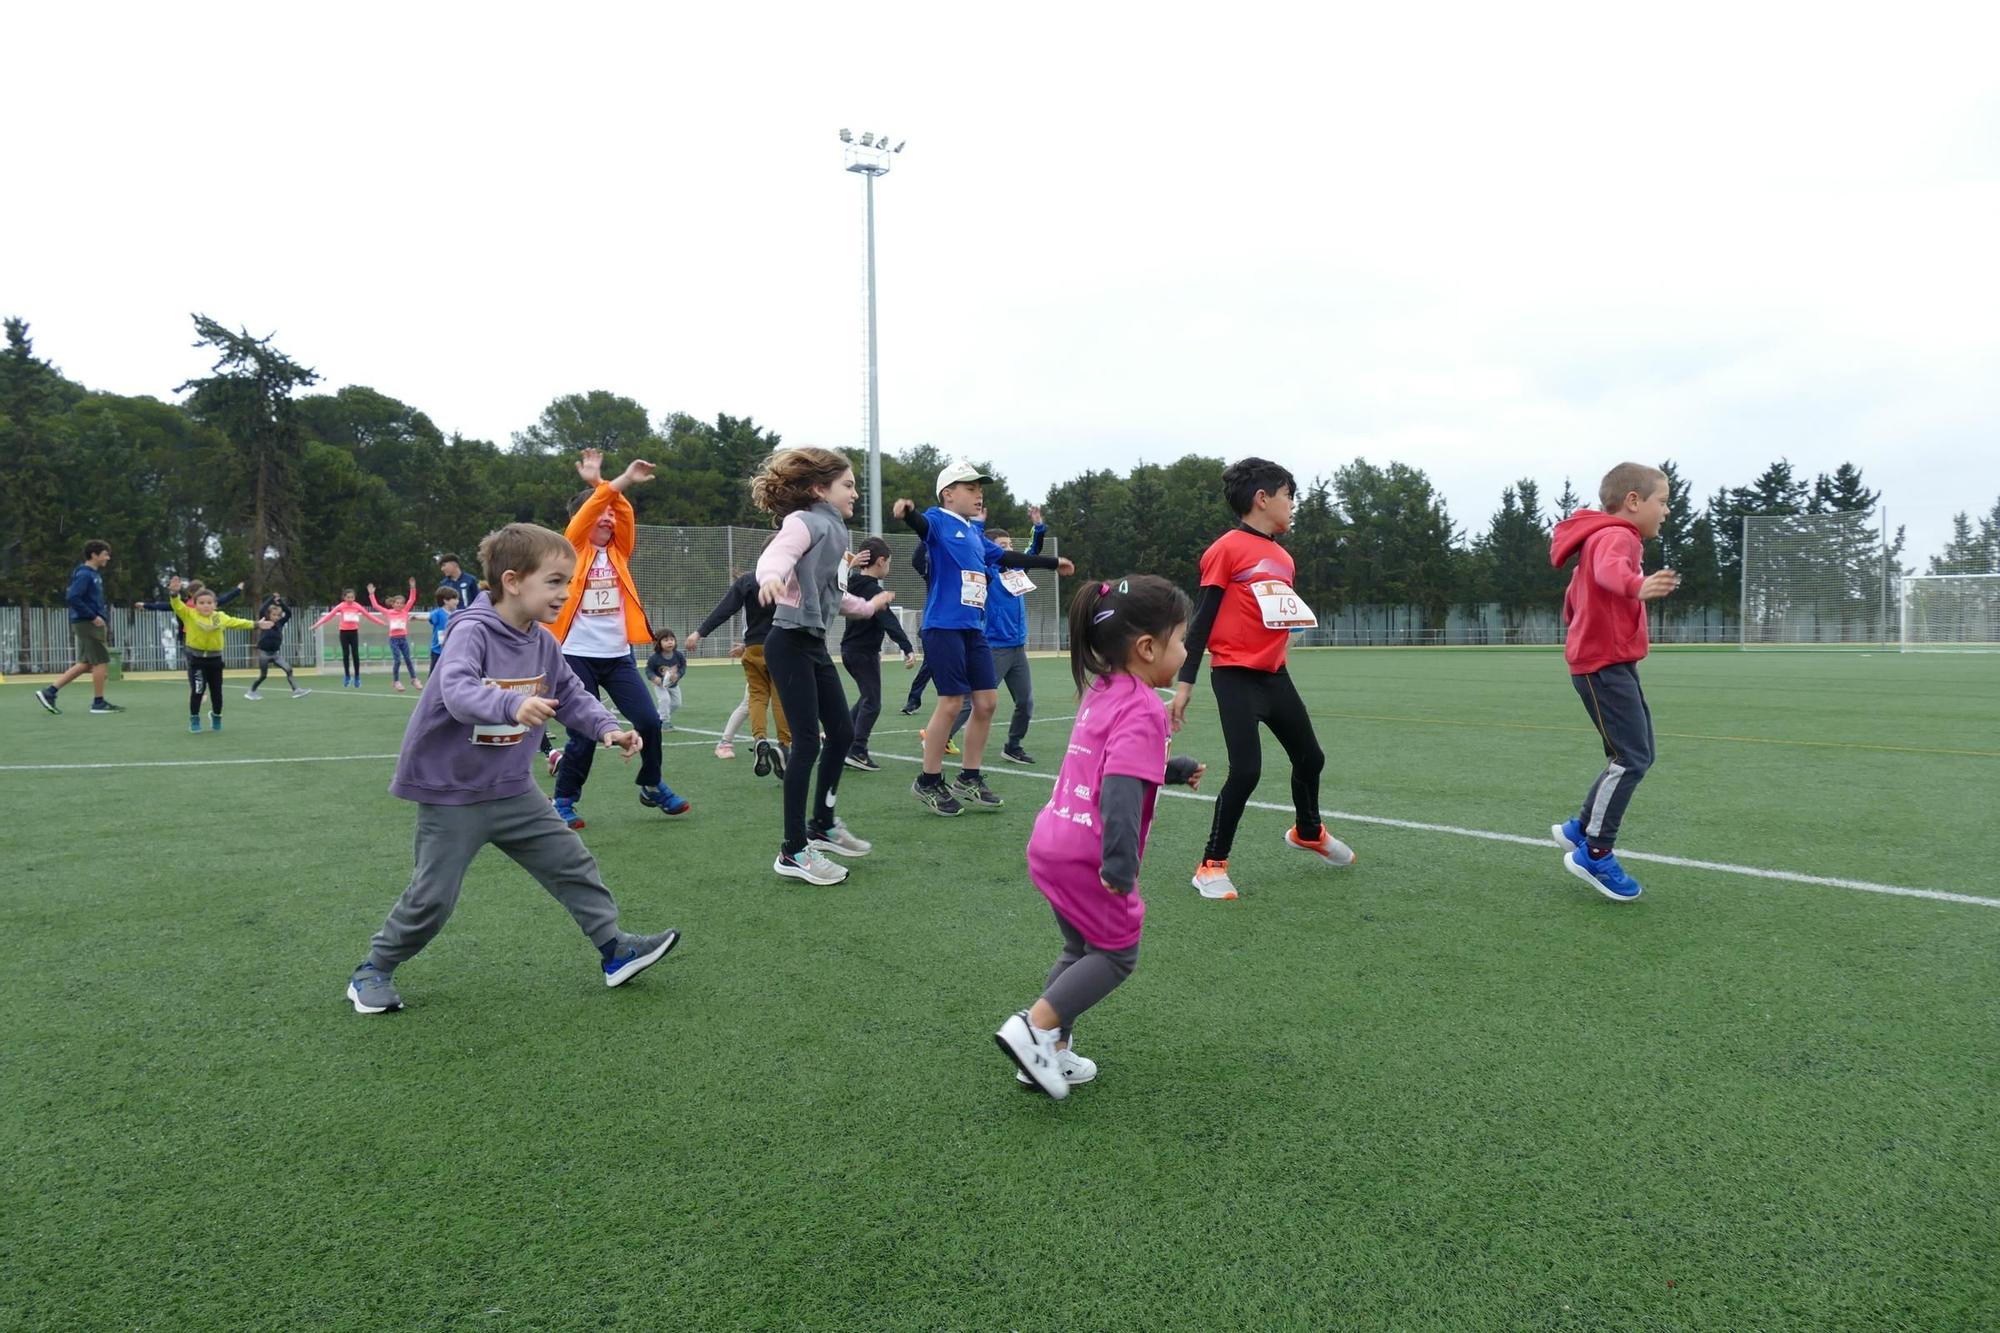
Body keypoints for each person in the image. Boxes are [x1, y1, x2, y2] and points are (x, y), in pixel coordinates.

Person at [344, 522, 681, 1015]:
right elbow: (457, 691)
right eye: (556, 581)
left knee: (571, 863)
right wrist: (510, 705)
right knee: (432, 897)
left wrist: (608, 728)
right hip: (452, 793)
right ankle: (373, 968)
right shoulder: (471, 631)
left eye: (569, 582)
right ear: (512, 581)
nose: (567, 593)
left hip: (513, 790)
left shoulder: (543, 641)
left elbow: (570, 695)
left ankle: (615, 950)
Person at [994, 575, 1206, 1099]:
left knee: (1078, 947)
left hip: (1052, 841)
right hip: (1089, 853)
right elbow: (1118, 791)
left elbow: (1107, 759)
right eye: (1181, 640)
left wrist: (1170, 769)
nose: (1185, 650)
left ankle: (1048, 1056)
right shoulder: (1144, 707)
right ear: (1148, 647)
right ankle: (1034, 1028)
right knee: (1115, 954)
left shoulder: (1103, 689)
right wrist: (1118, 866)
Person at [1171, 457, 1353, 902]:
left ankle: (1309, 831)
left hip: (1276, 677)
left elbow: (1275, 617)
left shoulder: (1284, 558)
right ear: (1262, 498)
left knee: (1311, 758)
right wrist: (1186, 682)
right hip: (1233, 676)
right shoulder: (1227, 549)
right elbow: (1203, 620)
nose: (1293, 505)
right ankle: (1211, 865)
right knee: (1247, 770)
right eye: (1289, 495)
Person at [749, 447, 895, 884]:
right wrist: (770, 577)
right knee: (808, 744)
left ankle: (823, 825)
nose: (855, 493)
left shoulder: (836, 533)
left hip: (813, 645)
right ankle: (793, 851)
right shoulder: (805, 521)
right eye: (848, 485)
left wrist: (868, 608)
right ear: (820, 489)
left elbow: (833, 593)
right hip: (788, 643)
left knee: (843, 734)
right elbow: (775, 558)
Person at [894, 460, 1070, 816]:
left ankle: (969, 778)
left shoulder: (975, 534)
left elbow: (1006, 555)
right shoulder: (939, 521)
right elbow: (922, 525)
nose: (978, 495)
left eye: (980, 489)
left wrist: (1053, 563)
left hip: (973, 629)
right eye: (970, 488)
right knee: (951, 703)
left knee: (987, 703)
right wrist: (908, 513)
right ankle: (928, 781)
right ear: (948, 494)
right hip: (943, 627)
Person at [1548, 463, 1679, 902]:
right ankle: (1595, 852)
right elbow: (1608, 573)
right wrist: (1635, 585)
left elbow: (1573, 599)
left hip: (1610, 664)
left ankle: (1580, 829)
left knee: (1638, 753)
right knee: (1631, 758)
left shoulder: (1603, 537)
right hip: (1602, 666)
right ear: (1634, 501)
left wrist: (1587, 620)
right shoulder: (1617, 537)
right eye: (1662, 500)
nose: (1666, 510)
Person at [546, 449, 689, 830]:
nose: (609, 517)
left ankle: (652, 784)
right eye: (601, 513)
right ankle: (563, 799)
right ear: (582, 519)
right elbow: (591, 512)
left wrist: (602, 483)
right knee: (582, 733)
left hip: (617, 656)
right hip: (575, 656)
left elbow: (622, 511)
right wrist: (602, 489)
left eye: (612, 513)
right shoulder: (571, 550)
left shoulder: (619, 552)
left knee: (649, 720)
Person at [953, 507, 1050, 764]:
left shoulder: (1016, 572)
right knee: (971, 701)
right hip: (994, 648)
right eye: (1003, 545)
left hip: (1017, 649)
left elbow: (1032, 552)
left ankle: (1013, 746)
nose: (1009, 549)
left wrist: (1039, 528)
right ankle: (937, 738)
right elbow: (976, 546)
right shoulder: (988, 573)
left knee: (1025, 702)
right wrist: (978, 525)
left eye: (1010, 544)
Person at [687, 571, 792, 775]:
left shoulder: (748, 580)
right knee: (781, 696)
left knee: (757, 697)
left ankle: (760, 738)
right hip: (781, 644)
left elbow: (725, 608)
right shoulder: (790, 579)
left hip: (753, 647)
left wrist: (700, 632)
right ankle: (784, 745)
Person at [839, 536, 915, 771]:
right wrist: (907, 647)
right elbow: (888, 621)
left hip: (849, 650)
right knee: (872, 702)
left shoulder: (850, 583)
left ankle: (838, 737)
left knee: (865, 697)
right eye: (888, 562)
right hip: (863, 653)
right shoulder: (873, 590)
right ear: (881, 561)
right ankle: (858, 750)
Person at [35, 539, 125, 715]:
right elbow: (73, 597)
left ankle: (50, 692)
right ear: (94, 555)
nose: (108, 557)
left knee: (85, 664)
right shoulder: (85, 574)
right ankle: (98, 703)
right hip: (88, 623)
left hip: (86, 622)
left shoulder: (93, 574)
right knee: (101, 660)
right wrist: (93, 616)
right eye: (105, 554)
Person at [171, 586, 267, 732]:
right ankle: (195, 719)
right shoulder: (189, 615)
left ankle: (216, 716)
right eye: (201, 603)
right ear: (195, 604)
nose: (205, 606)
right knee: (198, 690)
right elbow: (177, 605)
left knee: (217, 692)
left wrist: (256, 624)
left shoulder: (220, 617)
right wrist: (173, 593)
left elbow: (237, 622)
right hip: (197, 661)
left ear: (215, 604)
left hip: (215, 661)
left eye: (209, 603)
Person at [311, 589, 384, 688]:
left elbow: (368, 615)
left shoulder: (357, 606)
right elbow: (329, 616)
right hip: (344, 633)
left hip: (354, 632)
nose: (350, 599)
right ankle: (347, 676)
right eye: (348, 597)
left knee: (355, 655)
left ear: (354, 598)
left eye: (352, 597)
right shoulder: (341, 606)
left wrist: (381, 622)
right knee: (346, 655)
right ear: (344, 598)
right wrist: (317, 625)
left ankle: (357, 677)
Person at [244, 592, 309, 699]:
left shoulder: (280, 623)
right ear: (268, 615)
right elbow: (261, 610)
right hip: (264, 654)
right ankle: (251, 692)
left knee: (288, 669)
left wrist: (280, 602)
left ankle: (296, 690)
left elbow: (288, 613)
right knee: (263, 676)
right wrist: (271, 599)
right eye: (273, 615)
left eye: (278, 615)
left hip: (275, 654)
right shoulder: (264, 621)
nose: (276, 617)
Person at [368, 578, 423, 692]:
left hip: (403, 639)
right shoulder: (389, 612)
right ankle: (396, 681)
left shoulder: (405, 611)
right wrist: (371, 594)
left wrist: (413, 587)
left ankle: (414, 679)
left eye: (401, 603)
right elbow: (375, 605)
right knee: (397, 660)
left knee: (408, 659)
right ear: (393, 604)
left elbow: (412, 599)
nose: (399, 605)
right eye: (397, 603)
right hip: (394, 639)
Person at [645, 629, 687, 730]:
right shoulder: (655, 658)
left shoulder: (678, 655)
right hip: (660, 686)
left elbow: (683, 667)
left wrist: (678, 674)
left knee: (677, 703)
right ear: (659, 643)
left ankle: (658, 715)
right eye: (666, 640)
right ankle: (664, 721)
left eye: (672, 639)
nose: (670, 642)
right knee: (665, 700)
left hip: (673, 685)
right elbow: (648, 669)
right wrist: (654, 678)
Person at [426, 586, 459, 675]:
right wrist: (414, 617)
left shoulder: (457, 614)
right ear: (446, 601)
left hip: (451, 650)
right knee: (434, 675)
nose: (457, 601)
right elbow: (428, 616)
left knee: (450, 674)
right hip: (438, 651)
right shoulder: (438, 613)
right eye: (454, 598)